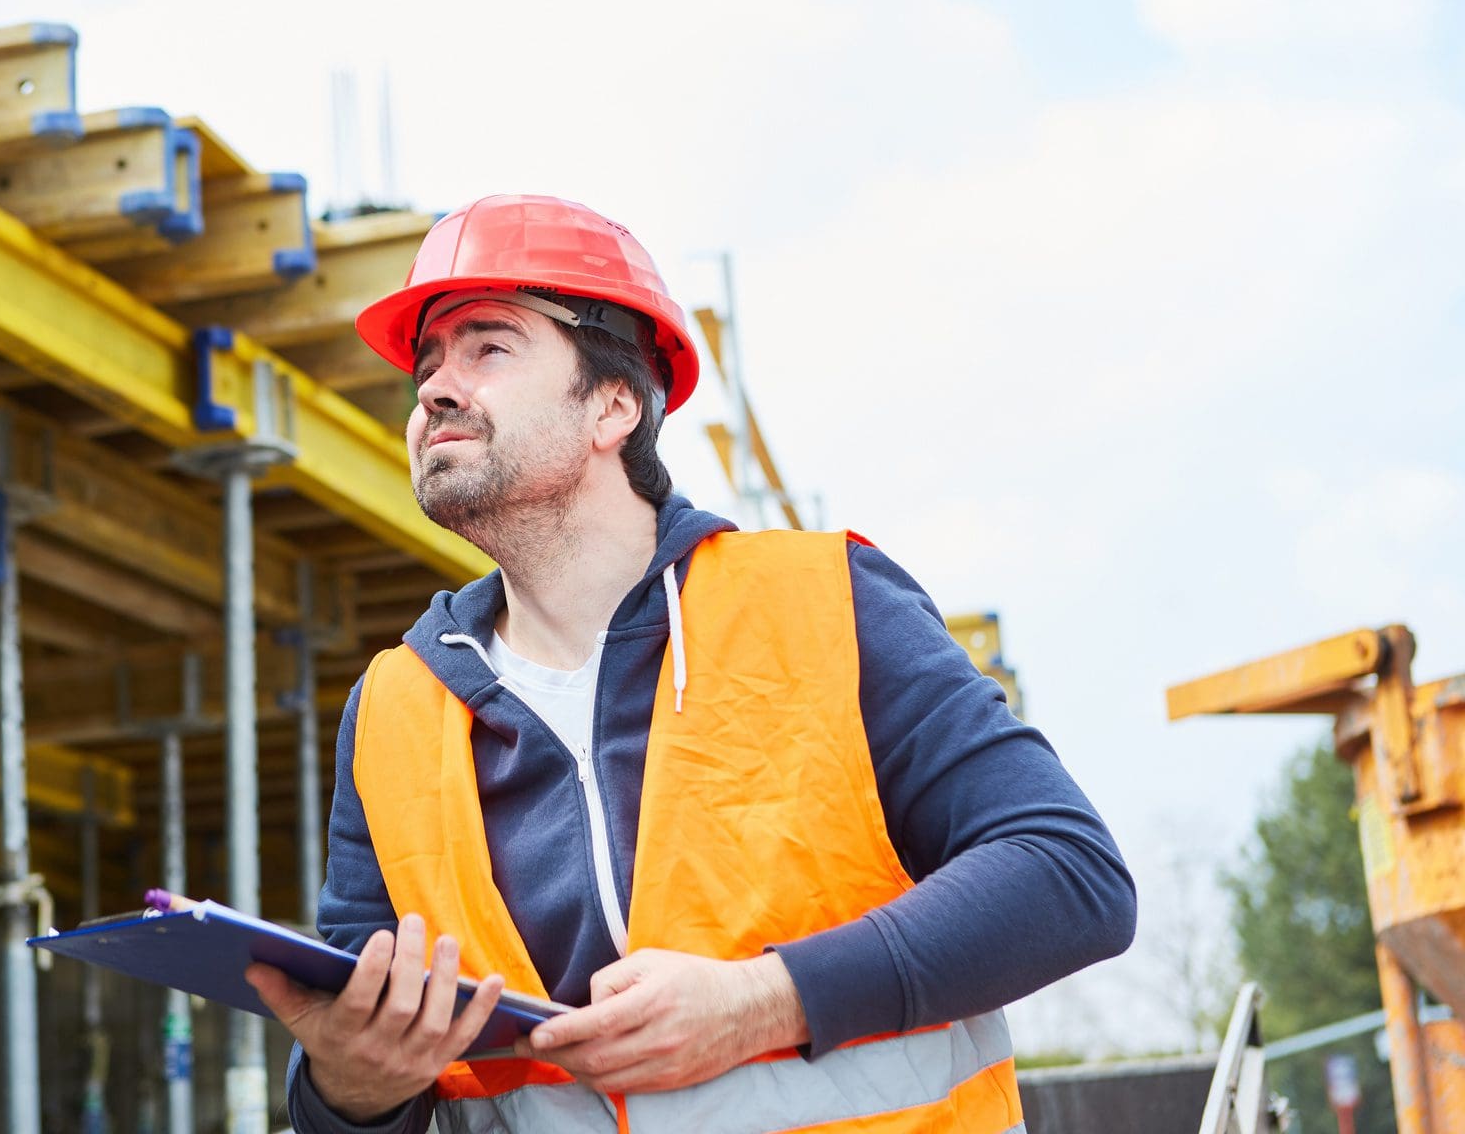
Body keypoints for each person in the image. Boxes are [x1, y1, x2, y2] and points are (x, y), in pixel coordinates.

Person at [247, 193, 1136, 1133]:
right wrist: (349, 1088)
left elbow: (1068, 874)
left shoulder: (825, 602)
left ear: (614, 404)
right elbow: (358, 1075)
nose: (432, 389)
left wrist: (766, 1001)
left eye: (488, 348)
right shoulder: (393, 710)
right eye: (426, 363)